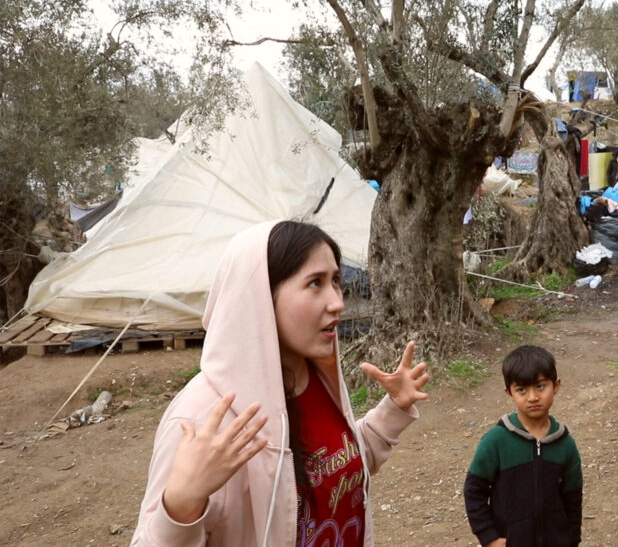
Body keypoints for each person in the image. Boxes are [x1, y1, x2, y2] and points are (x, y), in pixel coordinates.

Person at [132, 220, 428, 546]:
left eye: (336, 281)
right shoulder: (201, 419)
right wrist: (181, 507)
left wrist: (393, 410)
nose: (337, 302)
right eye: (315, 283)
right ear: (259, 296)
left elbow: (335, 473)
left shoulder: (317, 377)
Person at [463, 345, 583, 547]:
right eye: (521, 390)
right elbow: (474, 491)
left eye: (540, 386)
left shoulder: (565, 444)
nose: (533, 397)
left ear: (556, 385)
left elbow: (573, 499)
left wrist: (572, 539)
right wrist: (490, 538)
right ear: (509, 393)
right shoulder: (496, 441)